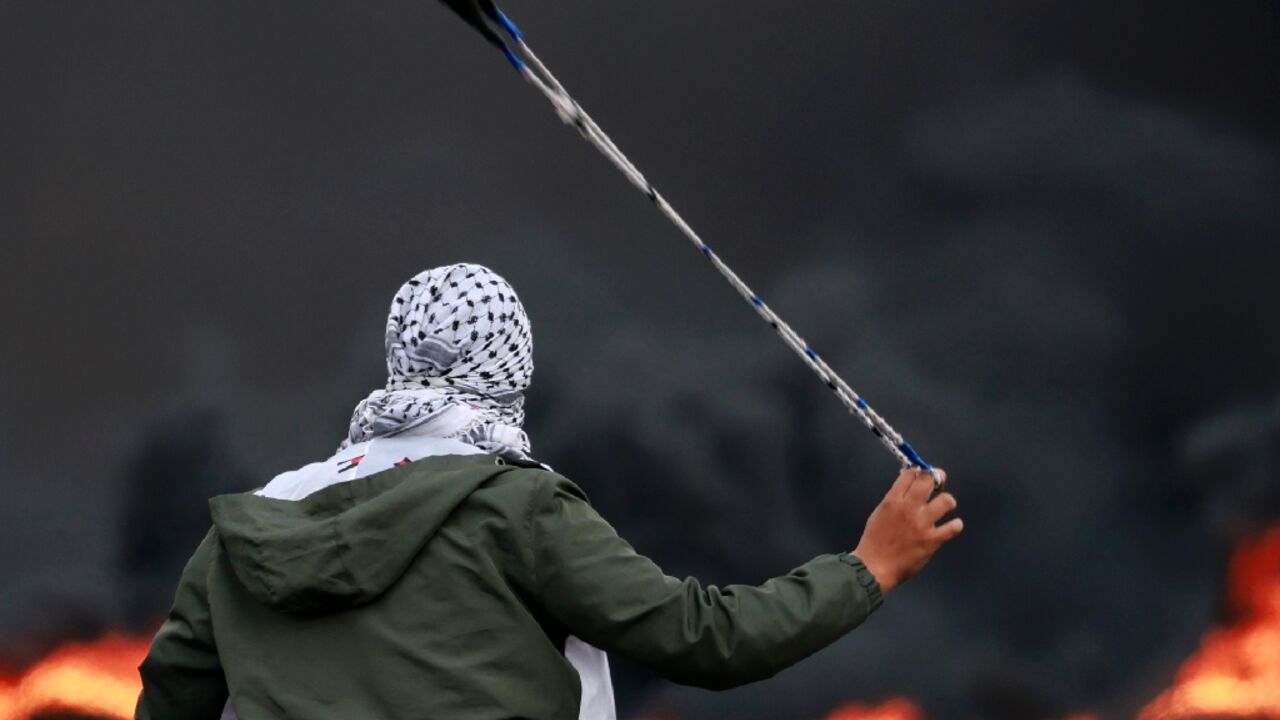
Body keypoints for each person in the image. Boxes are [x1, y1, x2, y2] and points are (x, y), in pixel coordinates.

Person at [134, 263, 963, 720]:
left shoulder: (248, 529)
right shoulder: (515, 507)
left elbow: (170, 712)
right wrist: (869, 568)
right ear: (512, 369)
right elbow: (706, 640)